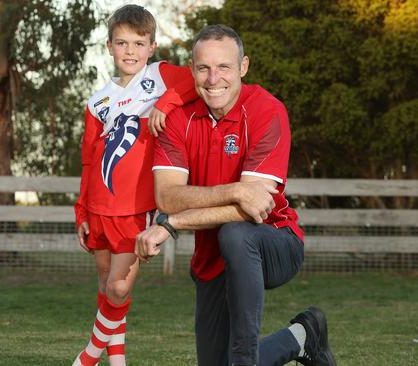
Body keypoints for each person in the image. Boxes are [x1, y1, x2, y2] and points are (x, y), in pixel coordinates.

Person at [135, 24, 337, 366]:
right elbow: (167, 197)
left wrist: (172, 225)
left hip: (275, 239)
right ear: (193, 70)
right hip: (210, 257)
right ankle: (302, 337)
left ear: (243, 66)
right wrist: (235, 190)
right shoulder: (176, 120)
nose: (214, 79)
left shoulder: (266, 110)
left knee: (236, 233)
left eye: (224, 67)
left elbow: (254, 208)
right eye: (203, 68)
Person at [72, 4, 198, 366]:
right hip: (97, 205)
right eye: (122, 43)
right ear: (109, 46)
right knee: (104, 285)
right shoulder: (98, 101)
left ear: (152, 47)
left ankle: (88, 357)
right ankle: (117, 362)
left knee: (120, 286)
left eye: (138, 43)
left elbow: (195, 81)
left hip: (134, 206)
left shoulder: (160, 76)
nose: (130, 51)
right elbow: (88, 159)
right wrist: (81, 209)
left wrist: (167, 103)